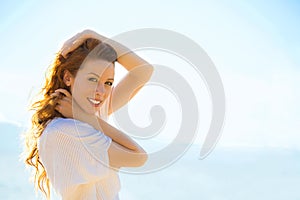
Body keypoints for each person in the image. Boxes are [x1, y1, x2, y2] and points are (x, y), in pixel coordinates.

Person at [23, 29, 153, 200]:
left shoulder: (90, 112)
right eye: (92, 79)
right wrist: (87, 119)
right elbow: (138, 157)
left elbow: (143, 70)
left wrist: (94, 36)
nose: (101, 91)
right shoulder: (65, 130)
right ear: (68, 78)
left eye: (108, 83)